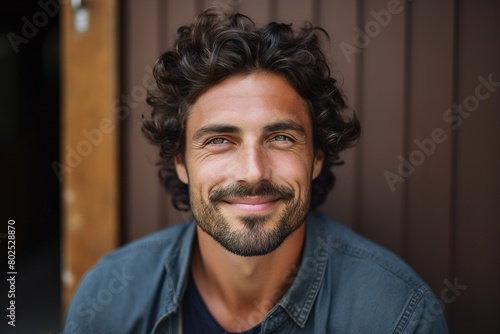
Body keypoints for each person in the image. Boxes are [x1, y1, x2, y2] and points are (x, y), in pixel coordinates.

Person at [64, 8, 448, 334]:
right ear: (180, 162)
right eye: (219, 140)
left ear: (316, 158)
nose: (252, 172)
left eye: (280, 137)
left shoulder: (398, 314)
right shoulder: (108, 300)